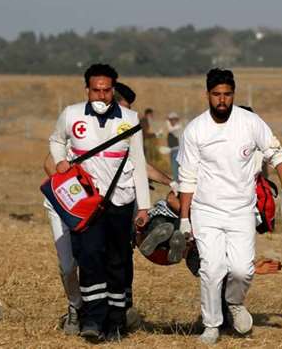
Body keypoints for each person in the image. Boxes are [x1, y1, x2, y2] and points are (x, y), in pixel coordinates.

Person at [176, 68, 282, 344]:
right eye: (216, 94)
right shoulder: (196, 129)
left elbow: (276, 153)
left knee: (242, 270)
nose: (222, 100)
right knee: (212, 268)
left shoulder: (250, 122)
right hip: (206, 210)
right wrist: (185, 218)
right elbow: (187, 177)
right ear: (208, 95)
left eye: (227, 94)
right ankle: (211, 325)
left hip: (242, 209)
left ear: (233, 95)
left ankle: (234, 302)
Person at [49, 64, 150, 342]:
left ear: (113, 91)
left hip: (121, 199)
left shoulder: (130, 118)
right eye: (96, 90)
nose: (101, 95)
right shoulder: (71, 114)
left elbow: (139, 162)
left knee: (118, 260)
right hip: (87, 202)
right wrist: (60, 160)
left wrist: (143, 206)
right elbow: (56, 140)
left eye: (106, 90)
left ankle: (116, 321)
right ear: (87, 90)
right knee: (90, 256)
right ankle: (93, 319)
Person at [166, 112, 182, 181]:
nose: (172, 121)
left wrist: (167, 122)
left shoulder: (178, 128)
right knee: (175, 169)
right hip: (173, 150)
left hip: (177, 150)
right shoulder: (174, 128)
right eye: (171, 120)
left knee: (176, 169)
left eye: (173, 119)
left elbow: (171, 130)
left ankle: (177, 183)